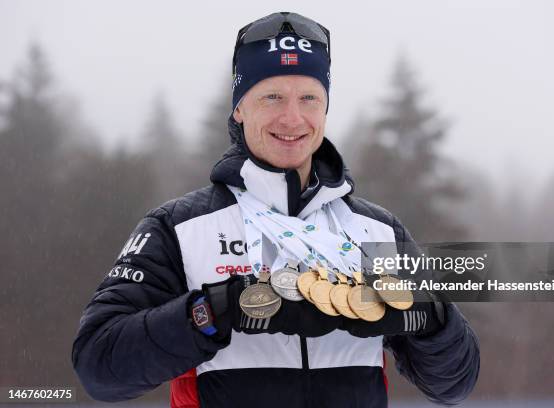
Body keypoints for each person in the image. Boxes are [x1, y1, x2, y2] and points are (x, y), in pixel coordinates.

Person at [72, 12, 479, 408]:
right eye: (271, 97)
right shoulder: (181, 227)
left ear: (325, 108)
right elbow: (100, 366)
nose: (292, 117)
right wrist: (214, 309)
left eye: (309, 98)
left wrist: (430, 318)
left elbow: (454, 385)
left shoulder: (377, 232)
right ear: (239, 108)